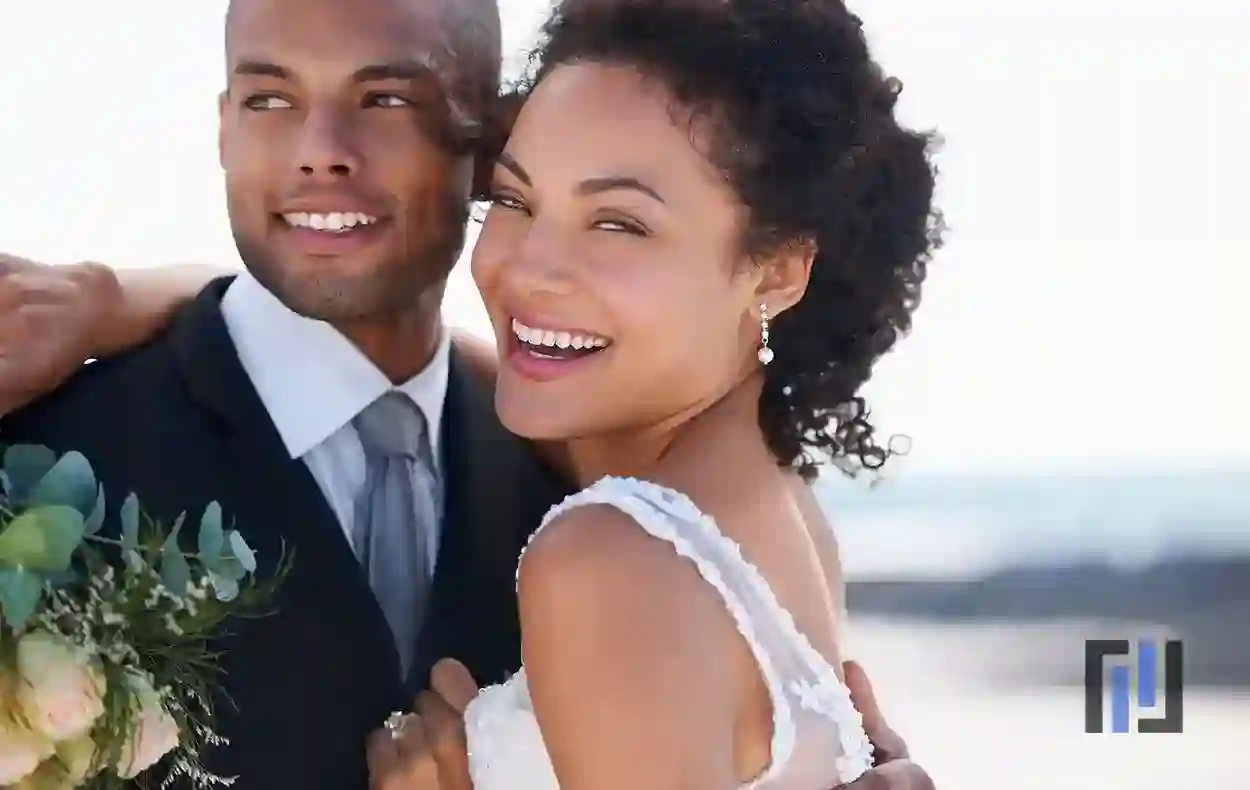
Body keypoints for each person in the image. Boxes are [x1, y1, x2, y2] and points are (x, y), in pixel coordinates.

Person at [0, 1, 940, 789]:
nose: (320, 151)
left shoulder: (591, 515)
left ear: (478, 131)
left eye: (385, 97)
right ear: (223, 122)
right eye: (270, 97)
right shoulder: (43, 469)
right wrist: (126, 293)